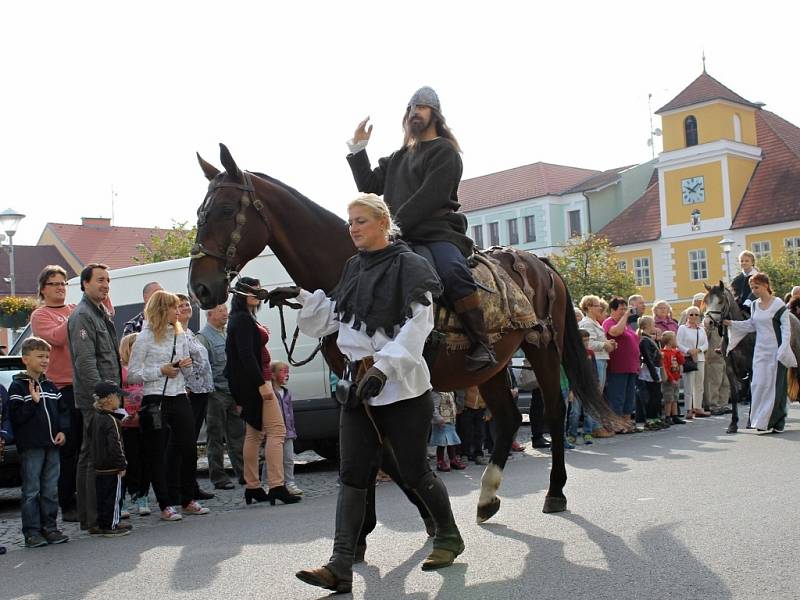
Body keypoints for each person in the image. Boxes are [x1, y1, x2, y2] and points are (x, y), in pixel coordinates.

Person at [284, 193, 462, 593]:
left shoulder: (411, 266)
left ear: (383, 222)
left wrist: (384, 368)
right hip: (356, 387)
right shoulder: (352, 268)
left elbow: (419, 325)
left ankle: (449, 535)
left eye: (361, 221)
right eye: (350, 222)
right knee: (352, 475)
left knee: (415, 470)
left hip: (402, 385)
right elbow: (335, 316)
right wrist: (294, 296)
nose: (353, 228)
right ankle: (340, 564)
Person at [346, 86, 495, 372]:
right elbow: (370, 191)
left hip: (438, 233)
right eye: (411, 109)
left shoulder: (445, 152)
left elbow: (430, 198)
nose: (415, 113)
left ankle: (481, 343)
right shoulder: (397, 157)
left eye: (422, 108)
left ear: (435, 115)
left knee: (452, 271)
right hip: (400, 236)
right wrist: (359, 149)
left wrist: (392, 227)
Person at [127, 290, 210, 519]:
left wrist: (186, 365)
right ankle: (165, 504)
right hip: (155, 397)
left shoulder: (179, 334)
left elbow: (188, 371)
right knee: (157, 452)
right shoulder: (144, 337)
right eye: (174, 307)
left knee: (187, 447)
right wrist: (160, 370)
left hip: (179, 393)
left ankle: (187, 498)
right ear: (162, 310)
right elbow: (132, 374)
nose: (179, 311)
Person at [31, 264, 100, 522]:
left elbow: (107, 313)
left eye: (63, 283)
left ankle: (87, 498)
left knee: (88, 445)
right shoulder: (41, 315)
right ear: (43, 289)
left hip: (86, 383)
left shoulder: (75, 309)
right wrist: (80, 315)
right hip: (63, 388)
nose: (60, 288)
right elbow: (59, 339)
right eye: (54, 284)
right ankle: (67, 501)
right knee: (70, 449)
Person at [225, 277, 298, 506]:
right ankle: (277, 485)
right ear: (243, 294)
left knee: (254, 434)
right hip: (257, 384)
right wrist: (262, 384)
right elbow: (246, 356)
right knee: (277, 431)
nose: (258, 293)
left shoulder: (241, 319)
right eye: (254, 290)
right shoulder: (242, 320)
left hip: (251, 384)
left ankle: (253, 486)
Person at [68, 263, 122, 533]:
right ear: (85, 283)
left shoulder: (101, 313)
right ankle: (92, 519)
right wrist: (102, 398)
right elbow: (86, 362)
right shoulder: (82, 315)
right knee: (92, 457)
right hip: (95, 401)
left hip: (108, 399)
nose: (105, 285)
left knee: (104, 458)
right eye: (100, 280)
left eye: (108, 281)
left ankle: (106, 513)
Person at [8, 337, 70, 548]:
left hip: (52, 445)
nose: (45, 360)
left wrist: (62, 429)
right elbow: (16, 418)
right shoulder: (17, 387)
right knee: (32, 490)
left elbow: (63, 411)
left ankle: (50, 528)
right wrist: (33, 403)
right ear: (25, 359)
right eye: (39, 356)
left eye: (47, 356)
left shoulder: (51, 386)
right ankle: (32, 532)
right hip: (31, 447)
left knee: (50, 489)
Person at [724, 273, 797, 432]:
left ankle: (777, 422)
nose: (754, 290)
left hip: (776, 350)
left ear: (765, 285)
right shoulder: (755, 305)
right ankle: (761, 421)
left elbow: (786, 328)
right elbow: (751, 325)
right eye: (752, 287)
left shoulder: (778, 304)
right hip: (760, 351)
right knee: (758, 385)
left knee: (775, 386)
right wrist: (732, 324)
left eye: (756, 287)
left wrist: (784, 348)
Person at [196, 304, 245, 490]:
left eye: (226, 310)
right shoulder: (203, 338)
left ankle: (243, 473)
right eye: (221, 310)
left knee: (237, 436)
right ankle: (218, 477)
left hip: (231, 392)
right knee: (215, 437)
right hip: (215, 394)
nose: (226, 313)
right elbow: (204, 368)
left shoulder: (226, 334)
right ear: (210, 314)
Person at [176, 294, 216, 501]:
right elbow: (178, 361)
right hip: (189, 393)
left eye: (186, 304)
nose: (185, 307)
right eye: (180, 305)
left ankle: (190, 485)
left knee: (190, 442)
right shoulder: (176, 332)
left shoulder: (189, 332)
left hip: (201, 391)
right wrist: (185, 385)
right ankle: (184, 487)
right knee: (186, 443)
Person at [89, 381, 130, 537]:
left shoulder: (94, 418)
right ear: (108, 399)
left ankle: (104, 522)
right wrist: (122, 464)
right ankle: (111, 525)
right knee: (114, 497)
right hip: (112, 467)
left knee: (103, 497)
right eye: (117, 397)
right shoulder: (112, 421)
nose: (119, 400)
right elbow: (116, 445)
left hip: (99, 466)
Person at [118, 333, 153, 517]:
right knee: (128, 461)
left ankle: (142, 496)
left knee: (146, 459)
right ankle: (122, 500)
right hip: (126, 423)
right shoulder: (120, 369)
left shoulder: (146, 368)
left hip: (144, 420)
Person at [578, 295, 616, 438]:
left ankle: (597, 425)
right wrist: (605, 345)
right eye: (596, 305)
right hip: (595, 360)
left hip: (601, 358)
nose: (599, 307)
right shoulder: (587, 323)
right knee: (594, 395)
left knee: (598, 395)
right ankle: (595, 427)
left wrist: (609, 343)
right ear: (588, 307)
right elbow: (588, 344)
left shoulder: (596, 323)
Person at [603, 297, 639, 430]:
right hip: (618, 367)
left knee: (629, 397)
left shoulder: (627, 324)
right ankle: (616, 424)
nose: (625, 312)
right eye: (621, 309)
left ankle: (627, 423)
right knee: (617, 396)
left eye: (626, 309)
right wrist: (625, 317)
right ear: (612, 310)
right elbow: (615, 332)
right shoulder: (609, 322)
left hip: (630, 367)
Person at [269, 361, 302, 495]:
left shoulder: (286, 393)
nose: (287, 375)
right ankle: (269, 483)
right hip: (274, 432)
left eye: (287, 372)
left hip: (288, 432)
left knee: (288, 459)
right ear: (272, 374)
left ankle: (290, 483)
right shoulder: (270, 393)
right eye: (283, 371)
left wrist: (292, 429)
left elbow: (290, 413)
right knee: (271, 460)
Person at [677, 307, 710, 419]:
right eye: (691, 314)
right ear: (687, 316)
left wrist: (698, 350)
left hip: (700, 358)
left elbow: (706, 344)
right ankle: (688, 409)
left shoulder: (701, 329)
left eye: (696, 315)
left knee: (699, 385)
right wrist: (688, 351)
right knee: (688, 384)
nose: (694, 317)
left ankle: (698, 407)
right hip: (688, 359)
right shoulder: (682, 328)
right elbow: (679, 343)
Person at [637, 316, 666, 429]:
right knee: (651, 397)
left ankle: (655, 418)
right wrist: (654, 375)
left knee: (656, 396)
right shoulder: (644, 340)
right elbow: (648, 359)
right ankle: (650, 420)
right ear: (647, 326)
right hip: (649, 371)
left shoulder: (649, 339)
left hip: (654, 368)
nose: (654, 326)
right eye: (652, 324)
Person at [431, 390, 465, 471]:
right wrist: (438, 419)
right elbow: (434, 408)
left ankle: (452, 459)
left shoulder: (450, 392)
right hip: (441, 423)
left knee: (451, 442)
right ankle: (440, 461)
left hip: (450, 421)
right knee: (442, 443)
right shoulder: (436, 393)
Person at [660, 332, 686, 425]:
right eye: (675, 339)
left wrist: (678, 352)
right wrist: (671, 379)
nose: (676, 341)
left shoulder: (675, 352)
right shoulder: (664, 353)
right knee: (668, 399)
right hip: (669, 380)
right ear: (670, 341)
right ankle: (667, 416)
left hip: (676, 378)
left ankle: (675, 415)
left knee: (675, 398)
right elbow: (666, 368)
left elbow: (682, 361)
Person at [730, 251, 758, 315]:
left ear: (752, 262)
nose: (744, 263)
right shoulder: (737, 279)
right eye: (742, 261)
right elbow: (734, 293)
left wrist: (748, 302)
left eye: (747, 261)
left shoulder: (758, 276)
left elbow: (756, 291)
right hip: (740, 309)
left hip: (757, 307)